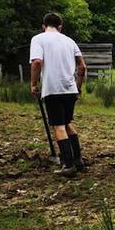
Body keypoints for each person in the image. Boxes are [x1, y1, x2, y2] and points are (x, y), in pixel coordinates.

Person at [29, 13, 87, 177]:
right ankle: (77, 159)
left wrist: (34, 84)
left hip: (53, 89)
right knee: (67, 123)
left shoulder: (38, 39)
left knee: (59, 126)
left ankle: (68, 165)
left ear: (43, 26)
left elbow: (37, 62)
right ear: (60, 26)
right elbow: (82, 67)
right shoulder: (70, 41)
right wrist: (78, 87)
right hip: (70, 89)